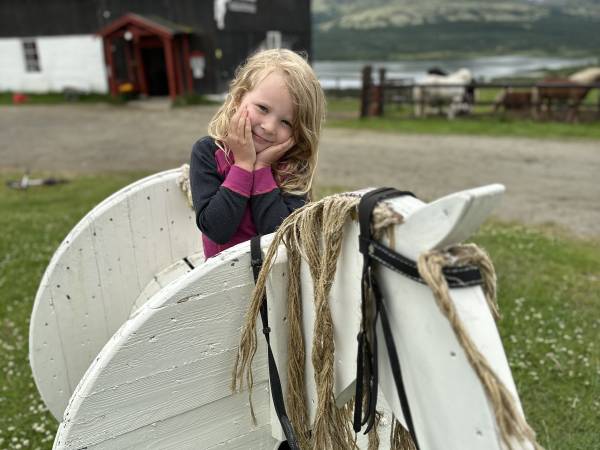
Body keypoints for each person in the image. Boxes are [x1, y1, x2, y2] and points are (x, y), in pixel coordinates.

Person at [190, 49, 326, 258]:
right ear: (238, 98)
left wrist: (261, 169)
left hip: (279, 280)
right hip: (221, 284)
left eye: (286, 122)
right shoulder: (209, 152)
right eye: (263, 108)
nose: (270, 127)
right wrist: (244, 165)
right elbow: (217, 230)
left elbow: (283, 239)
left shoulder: (294, 167)